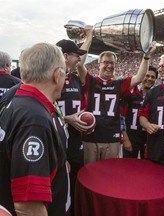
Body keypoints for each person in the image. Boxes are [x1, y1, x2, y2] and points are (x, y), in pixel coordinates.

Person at [0, 43, 70, 215]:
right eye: (65, 73)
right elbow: (28, 206)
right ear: (56, 75)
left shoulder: (20, 102)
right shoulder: (35, 120)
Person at [80, 41, 157, 164]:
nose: (109, 65)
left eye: (112, 63)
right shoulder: (91, 81)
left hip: (112, 139)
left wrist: (146, 56)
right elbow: (80, 64)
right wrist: (89, 38)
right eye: (106, 62)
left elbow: (139, 77)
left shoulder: (118, 85)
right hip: (91, 138)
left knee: (109, 176)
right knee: (89, 174)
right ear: (99, 64)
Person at [55, 25, 93, 216]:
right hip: (55, 140)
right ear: (65, 55)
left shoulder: (76, 80)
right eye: (75, 54)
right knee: (59, 184)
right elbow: (42, 109)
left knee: (76, 179)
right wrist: (66, 118)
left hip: (76, 140)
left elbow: (82, 108)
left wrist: (85, 119)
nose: (79, 58)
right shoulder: (49, 79)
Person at [121, 66, 158, 158]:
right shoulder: (131, 92)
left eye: (153, 77)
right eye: (147, 76)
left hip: (147, 139)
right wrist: (125, 138)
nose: (149, 79)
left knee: (145, 169)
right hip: (131, 138)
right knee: (128, 168)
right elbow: (121, 115)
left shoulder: (156, 95)